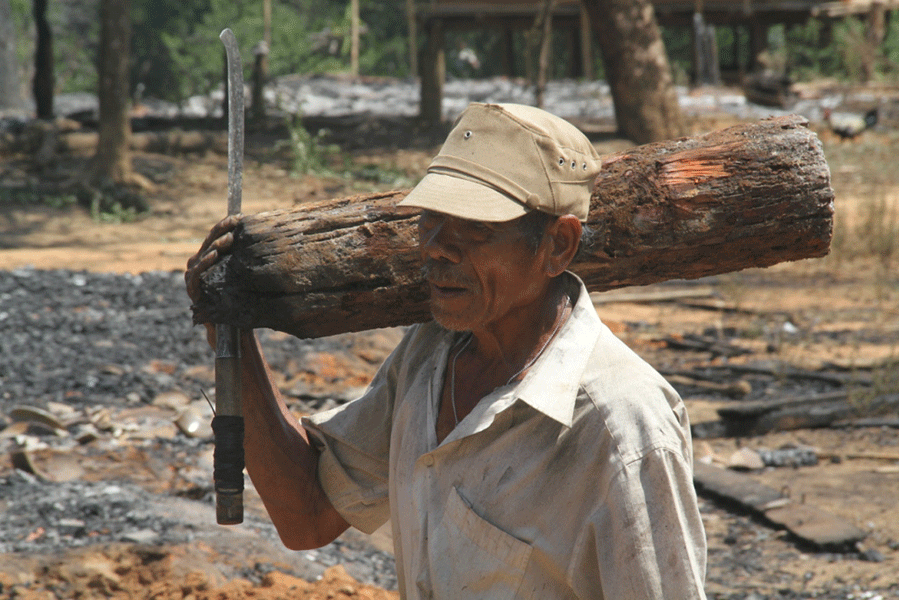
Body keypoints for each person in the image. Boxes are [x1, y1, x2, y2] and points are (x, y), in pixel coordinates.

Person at [185, 102, 707, 599]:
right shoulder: (429, 360)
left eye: (476, 228)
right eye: (431, 218)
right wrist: (230, 336)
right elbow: (308, 513)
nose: (438, 245)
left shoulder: (622, 429)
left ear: (558, 245)